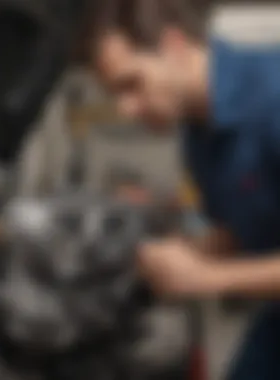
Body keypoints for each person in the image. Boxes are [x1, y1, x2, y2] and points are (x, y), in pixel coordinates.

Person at [78, 0, 280, 378]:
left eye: (132, 84)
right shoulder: (197, 131)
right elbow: (245, 228)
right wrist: (184, 251)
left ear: (174, 45)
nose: (126, 110)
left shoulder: (274, 97)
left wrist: (205, 278)